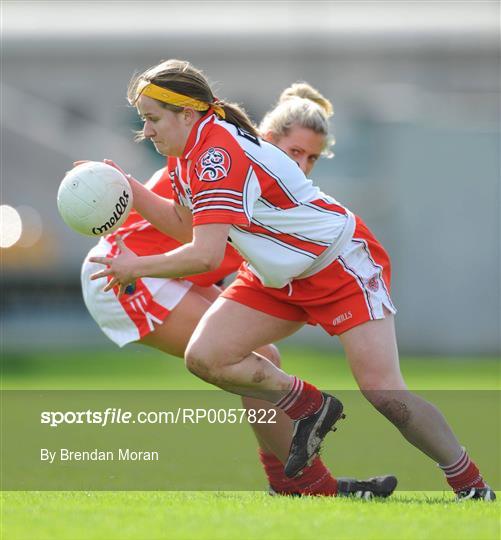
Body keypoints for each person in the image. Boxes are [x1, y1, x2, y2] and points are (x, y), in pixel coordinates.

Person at [89, 59, 495, 501]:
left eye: (152, 119)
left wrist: (136, 268)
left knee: (386, 395)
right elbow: (185, 225)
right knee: (206, 357)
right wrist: (127, 185)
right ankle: (310, 406)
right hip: (276, 276)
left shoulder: (214, 153)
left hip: (338, 266)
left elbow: (204, 254)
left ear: (188, 113)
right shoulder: (191, 154)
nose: (146, 131)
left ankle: (471, 485)